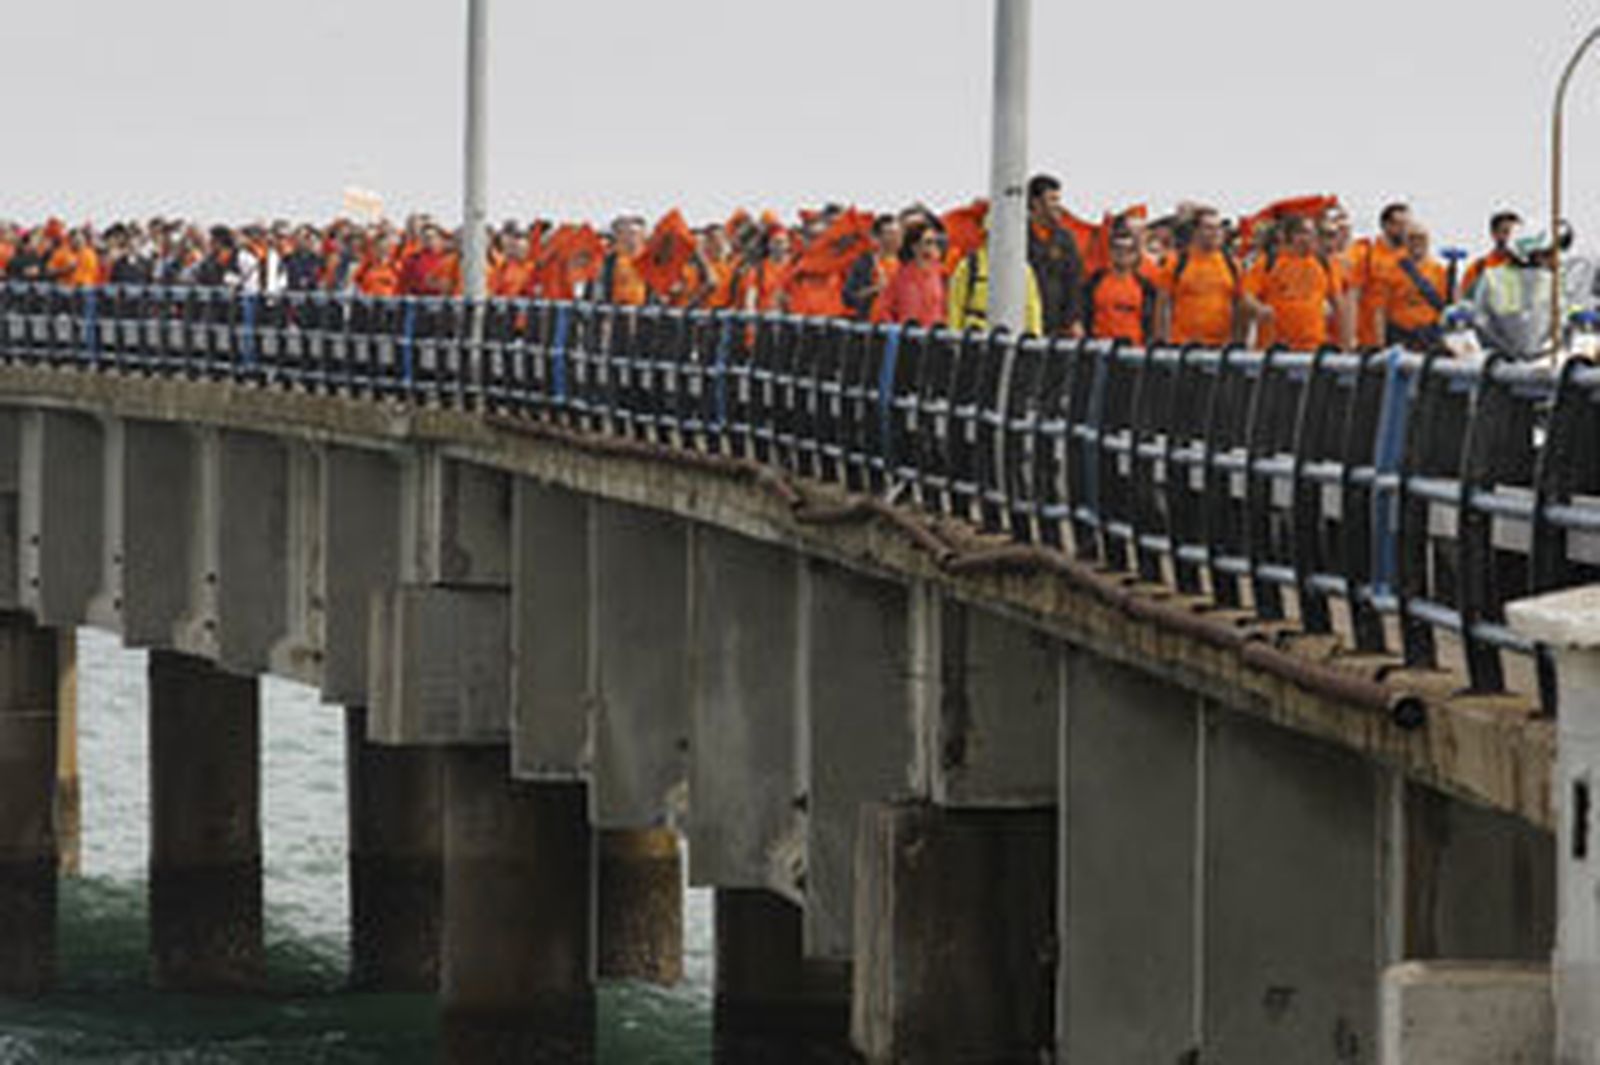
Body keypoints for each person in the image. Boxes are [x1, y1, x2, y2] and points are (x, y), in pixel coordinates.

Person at [1243, 214, 1349, 351]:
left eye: (1313, 232)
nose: (1311, 237)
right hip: (1275, 346)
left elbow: (1338, 303)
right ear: (1289, 236)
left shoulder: (1323, 264)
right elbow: (1247, 295)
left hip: (1314, 344)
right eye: (1304, 232)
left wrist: (1346, 342)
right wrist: (1259, 309)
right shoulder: (1268, 262)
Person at [1153, 207, 1240, 346]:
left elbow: (1239, 305)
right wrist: (1160, 341)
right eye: (1209, 228)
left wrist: (1237, 342)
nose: (1215, 233)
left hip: (1220, 347)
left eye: (1218, 228)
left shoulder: (1232, 264)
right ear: (1196, 231)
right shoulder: (1177, 262)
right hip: (1182, 345)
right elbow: (1162, 303)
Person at [1026, 173, 1086, 336]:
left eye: (1058, 199)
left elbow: (1073, 280)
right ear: (1036, 202)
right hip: (1027, 324)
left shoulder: (1065, 239)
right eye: (1052, 199)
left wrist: (1074, 319)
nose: (1058, 205)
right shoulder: (1019, 239)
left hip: (1057, 328)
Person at [1375, 223, 1448, 350]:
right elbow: (1380, 310)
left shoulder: (1439, 271)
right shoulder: (1389, 270)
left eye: (1421, 238)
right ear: (1405, 242)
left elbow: (1448, 308)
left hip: (1429, 336)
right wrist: (1380, 343)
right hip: (1400, 335)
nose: (1417, 243)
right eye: (1412, 238)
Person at [1349, 202, 1410, 348]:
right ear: (1385, 225)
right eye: (1399, 225)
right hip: (1368, 337)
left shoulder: (1409, 258)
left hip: (1402, 334)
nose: (1405, 230)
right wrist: (1350, 335)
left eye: (1407, 225)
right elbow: (1353, 294)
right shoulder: (1367, 253)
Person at [1084, 231, 1158, 345]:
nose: (1122, 254)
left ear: (1135, 255)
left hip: (1132, 349)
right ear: (1110, 252)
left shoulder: (1145, 287)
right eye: (1117, 249)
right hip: (1099, 346)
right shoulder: (1096, 281)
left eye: (1128, 250)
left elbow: (1150, 322)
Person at [874, 220, 947, 327]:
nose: (933, 246)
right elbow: (884, 308)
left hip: (936, 337)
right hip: (908, 338)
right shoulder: (899, 276)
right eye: (928, 242)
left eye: (935, 242)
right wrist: (894, 331)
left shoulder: (942, 273)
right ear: (914, 246)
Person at [842, 214, 902, 319]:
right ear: (878, 237)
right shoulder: (865, 264)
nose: (896, 238)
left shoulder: (908, 263)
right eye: (890, 233)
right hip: (871, 327)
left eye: (898, 233)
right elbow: (848, 297)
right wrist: (875, 289)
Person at [1461, 211, 1521, 299]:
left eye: (1514, 233)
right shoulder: (1478, 268)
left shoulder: (1524, 267)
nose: (1509, 237)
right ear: (1494, 234)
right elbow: (1465, 301)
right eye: (1505, 231)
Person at [596, 215, 648, 306]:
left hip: (645, 313)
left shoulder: (652, 260)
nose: (629, 238)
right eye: (622, 233)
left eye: (633, 233)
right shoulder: (608, 261)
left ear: (643, 235)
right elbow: (599, 290)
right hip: (615, 311)